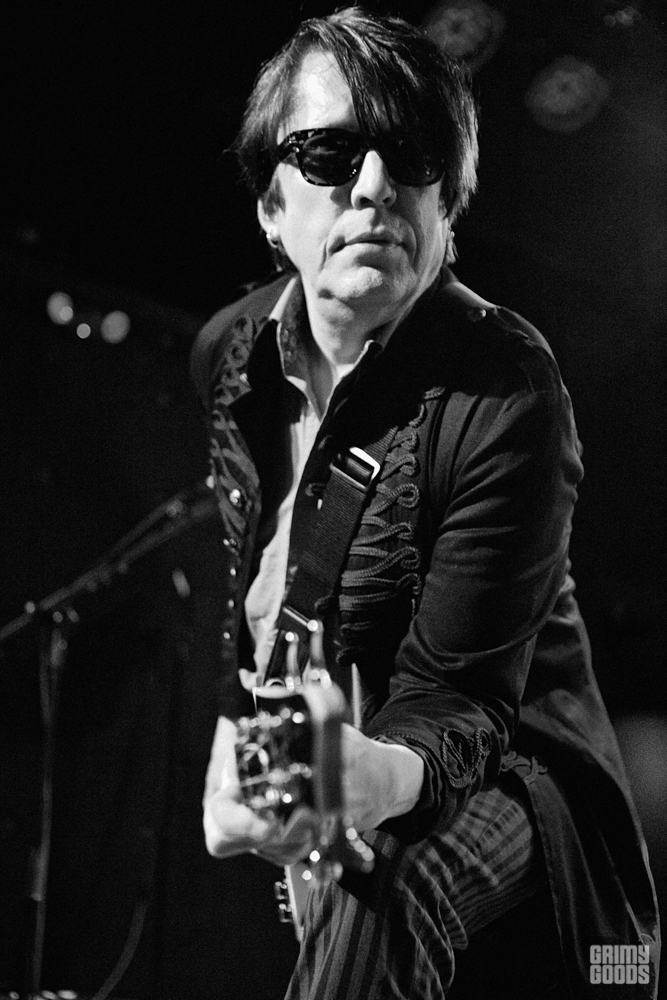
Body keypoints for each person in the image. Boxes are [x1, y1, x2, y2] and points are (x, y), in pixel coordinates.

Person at [192, 8, 659, 998]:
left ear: (448, 205)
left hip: (521, 783)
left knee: (386, 878)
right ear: (271, 206)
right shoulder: (228, 361)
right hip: (348, 769)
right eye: (328, 154)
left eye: (410, 157)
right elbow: (260, 592)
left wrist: (372, 779)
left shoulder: (506, 385)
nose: (372, 186)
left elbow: (462, 698)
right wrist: (240, 760)